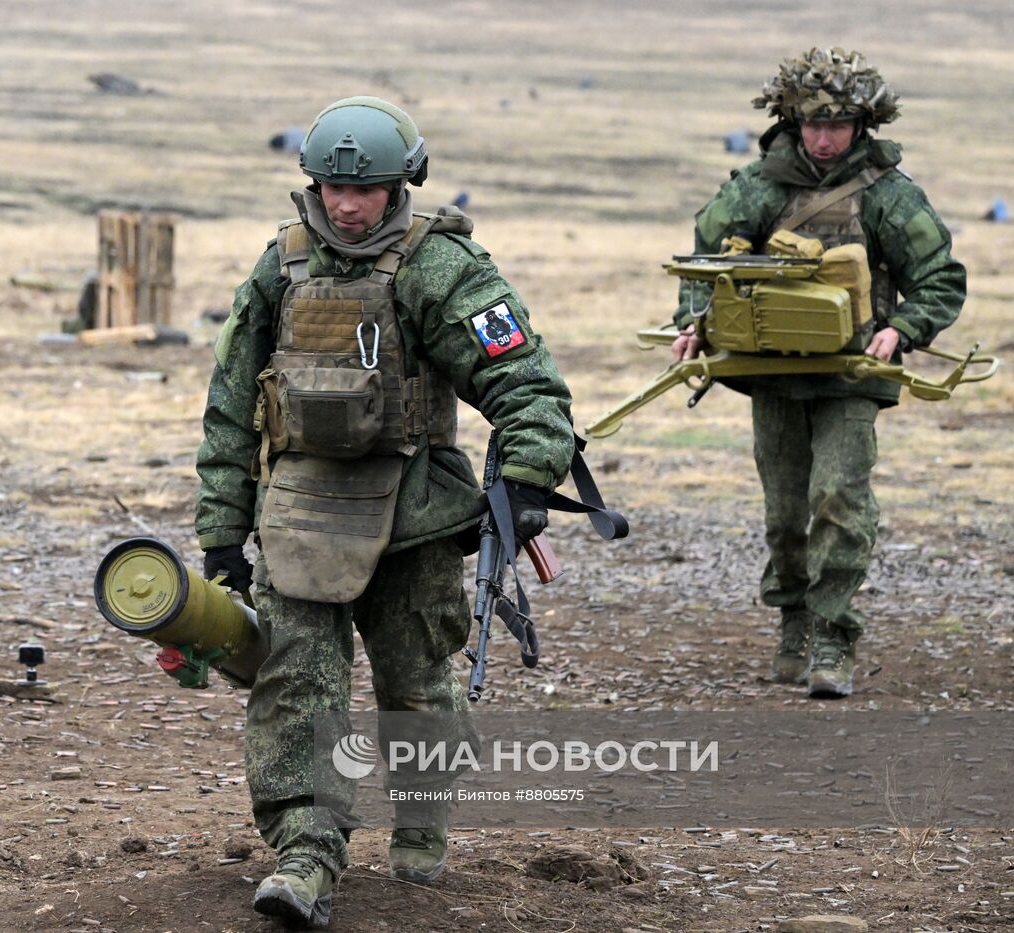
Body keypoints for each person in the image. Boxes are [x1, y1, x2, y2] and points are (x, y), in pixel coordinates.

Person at [194, 96, 577, 927]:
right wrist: (223, 532)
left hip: (413, 517)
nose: (345, 204)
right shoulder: (281, 268)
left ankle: (423, 810)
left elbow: (527, 383)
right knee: (294, 684)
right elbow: (230, 406)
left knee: (416, 681)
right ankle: (305, 852)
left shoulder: (441, 268)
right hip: (299, 513)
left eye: (364, 188)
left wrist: (526, 478)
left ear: (403, 184)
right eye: (331, 186)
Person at [672, 49, 965, 698]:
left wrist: (904, 328)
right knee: (784, 514)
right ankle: (794, 620)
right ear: (792, 121)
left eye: (838, 126)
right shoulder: (759, 186)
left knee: (838, 497)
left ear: (862, 126)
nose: (825, 139)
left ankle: (835, 636)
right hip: (771, 371)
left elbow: (939, 279)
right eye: (813, 125)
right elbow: (703, 260)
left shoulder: (888, 195)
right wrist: (694, 322)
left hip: (851, 375)